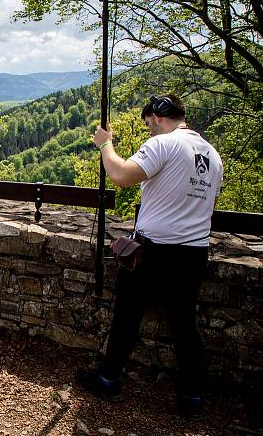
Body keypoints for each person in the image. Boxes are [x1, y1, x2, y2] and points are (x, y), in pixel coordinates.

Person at [76, 94, 223, 420]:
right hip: (194, 252)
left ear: (157, 116)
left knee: (127, 317)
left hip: (156, 250)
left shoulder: (164, 145)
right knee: (185, 324)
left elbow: (121, 175)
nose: (149, 132)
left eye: (148, 125)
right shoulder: (212, 155)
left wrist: (105, 144)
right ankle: (192, 396)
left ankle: (108, 378)